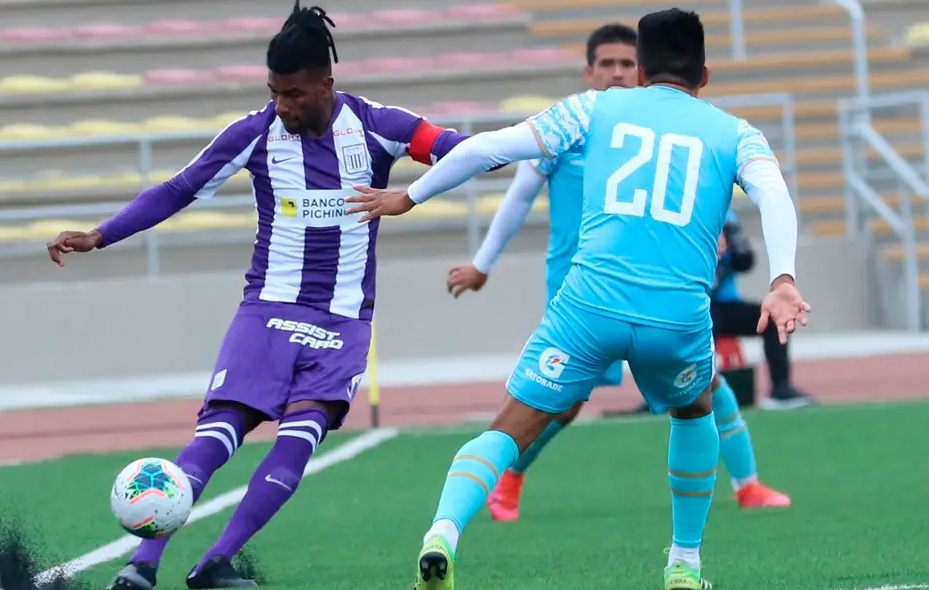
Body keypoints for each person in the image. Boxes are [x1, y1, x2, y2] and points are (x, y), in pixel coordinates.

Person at [344, 9, 809, 589]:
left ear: (640, 71)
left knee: (509, 430)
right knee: (694, 413)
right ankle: (684, 566)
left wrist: (409, 196)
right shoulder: (736, 133)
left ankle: (442, 533)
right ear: (705, 76)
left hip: (587, 307)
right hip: (676, 316)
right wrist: (783, 278)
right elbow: (775, 196)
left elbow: (488, 148)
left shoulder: (594, 107)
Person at [45, 3, 475, 589]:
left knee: (301, 437)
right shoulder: (255, 133)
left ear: (326, 84)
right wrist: (101, 235)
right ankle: (140, 566)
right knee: (217, 432)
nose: (282, 105)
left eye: (294, 94)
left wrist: (412, 194)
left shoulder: (380, 126)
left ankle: (216, 564)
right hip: (268, 308)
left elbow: (465, 151)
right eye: (274, 92)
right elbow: (179, 188)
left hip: (343, 320)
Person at [447, 23, 790, 524]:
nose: (616, 72)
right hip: (581, 288)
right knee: (563, 406)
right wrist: (482, 263)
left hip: (653, 290)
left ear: (643, 71)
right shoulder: (574, 124)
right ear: (589, 71)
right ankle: (511, 481)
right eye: (605, 64)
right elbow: (519, 196)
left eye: (626, 64)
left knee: (706, 384)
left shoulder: (668, 132)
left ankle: (748, 484)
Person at [713, 209, 815, 409]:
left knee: (773, 318)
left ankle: (780, 389)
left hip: (725, 305)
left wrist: (731, 245)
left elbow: (745, 262)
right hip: (694, 305)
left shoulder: (725, 217)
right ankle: (667, 396)